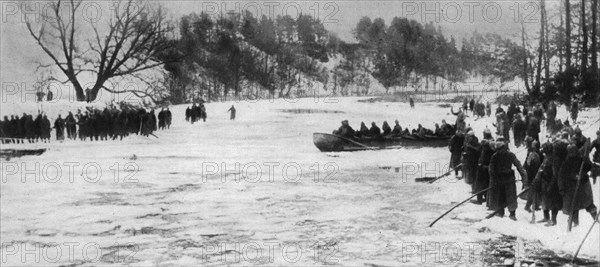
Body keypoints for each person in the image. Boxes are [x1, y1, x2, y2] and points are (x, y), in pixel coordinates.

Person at [558, 144, 598, 227]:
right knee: (573, 205)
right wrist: (562, 188)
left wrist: (583, 172)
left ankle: (596, 218)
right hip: (572, 187)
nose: (572, 153)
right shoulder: (566, 163)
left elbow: (589, 167)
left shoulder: (581, 160)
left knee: (588, 203)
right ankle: (575, 222)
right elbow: (561, 176)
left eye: (573, 151)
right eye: (570, 152)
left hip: (583, 186)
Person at [488, 139, 527, 220]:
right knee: (511, 197)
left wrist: (493, 180)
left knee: (500, 197)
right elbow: (519, 166)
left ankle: (500, 213)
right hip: (509, 180)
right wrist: (524, 177)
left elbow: (491, 170)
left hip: (500, 180)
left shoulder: (495, 156)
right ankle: (512, 214)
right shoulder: (510, 155)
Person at [532, 142, 562, 226]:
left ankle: (553, 219)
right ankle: (546, 217)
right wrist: (536, 179)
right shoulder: (546, 158)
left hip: (552, 183)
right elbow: (541, 169)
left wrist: (551, 185)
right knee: (544, 200)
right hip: (544, 182)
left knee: (553, 202)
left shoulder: (555, 159)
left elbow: (555, 174)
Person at [523, 141, 542, 213]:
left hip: (532, 174)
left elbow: (525, 165)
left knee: (535, 190)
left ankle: (536, 205)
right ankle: (528, 206)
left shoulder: (532, 153)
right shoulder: (535, 154)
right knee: (533, 190)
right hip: (533, 174)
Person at [474, 139, 493, 204]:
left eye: (485, 146)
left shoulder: (491, 153)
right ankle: (479, 199)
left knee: (485, 186)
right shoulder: (483, 151)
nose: (483, 147)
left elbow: (492, 163)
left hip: (486, 172)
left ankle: (485, 199)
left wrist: (485, 166)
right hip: (481, 172)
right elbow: (480, 159)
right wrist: (479, 163)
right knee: (480, 186)